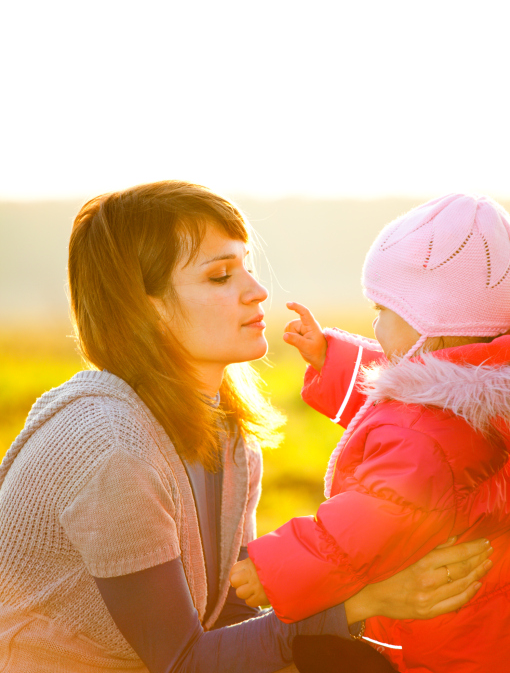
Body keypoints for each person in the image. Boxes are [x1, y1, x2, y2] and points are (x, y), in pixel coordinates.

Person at [0, 183, 491, 673]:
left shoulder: (228, 430)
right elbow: (186, 662)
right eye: (219, 276)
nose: (257, 292)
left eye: (248, 268)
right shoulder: (112, 450)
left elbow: (228, 616)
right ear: (142, 305)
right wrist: (363, 601)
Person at [231, 193, 510, 673]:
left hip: (438, 643)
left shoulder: (425, 433)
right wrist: (332, 359)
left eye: (383, 309)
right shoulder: (478, 394)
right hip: (486, 626)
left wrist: (273, 569)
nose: (374, 323)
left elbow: (366, 524)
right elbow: (408, 400)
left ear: (431, 323)